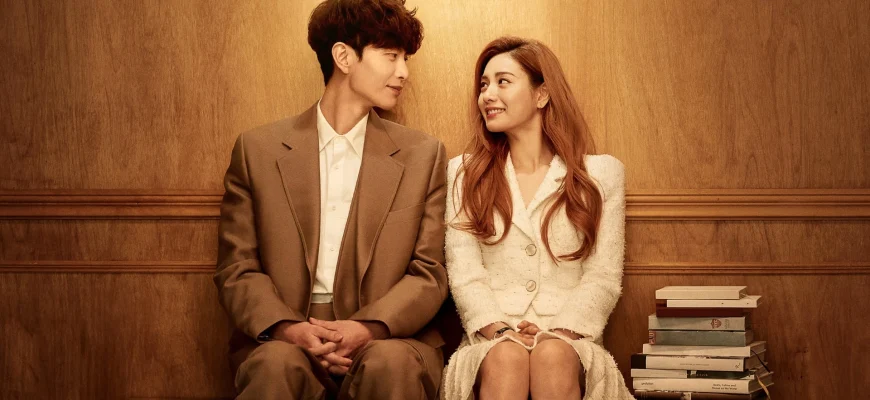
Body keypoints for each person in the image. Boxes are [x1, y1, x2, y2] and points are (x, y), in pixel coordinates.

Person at [214, 1, 448, 398]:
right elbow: (237, 266)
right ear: (343, 57)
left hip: (389, 336)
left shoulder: (424, 155)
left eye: (405, 59)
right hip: (286, 334)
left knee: (390, 364)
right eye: (391, 56)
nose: (403, 72)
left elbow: (429, 272)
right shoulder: (257, 150)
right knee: (274, 366)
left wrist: (369, 328)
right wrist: (287, 329)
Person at [441, 36, 634, 400]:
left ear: (542, 94)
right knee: (507, 358)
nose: (487, 95)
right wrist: (502, 332)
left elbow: (603, 277)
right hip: (488, 340)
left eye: (502, 82)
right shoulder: (464, 174)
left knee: (552, 356)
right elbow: (465, 275)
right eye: (483, 85)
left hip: (574, 338)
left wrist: (558, 333)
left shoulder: (601, 175)